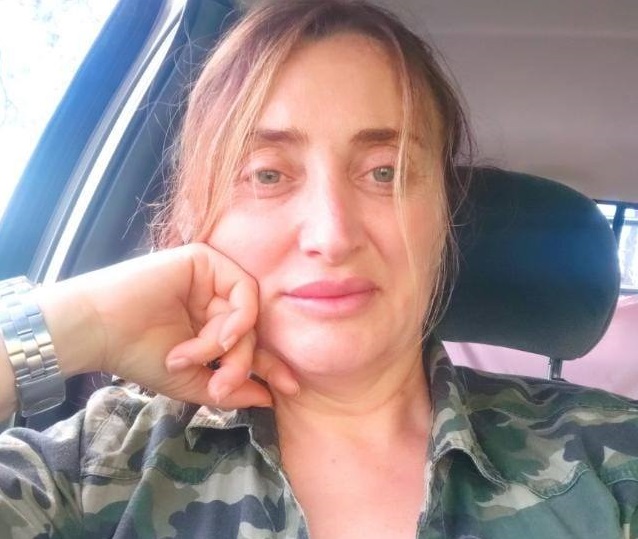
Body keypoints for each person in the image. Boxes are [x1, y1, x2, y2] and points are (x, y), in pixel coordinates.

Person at [0, 1, 637, 538]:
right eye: (267, 175)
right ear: (199, 225)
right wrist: (75, 324)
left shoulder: (613, 459)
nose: (332, 236)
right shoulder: (90, 473)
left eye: (384, 172)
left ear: (444, 216)